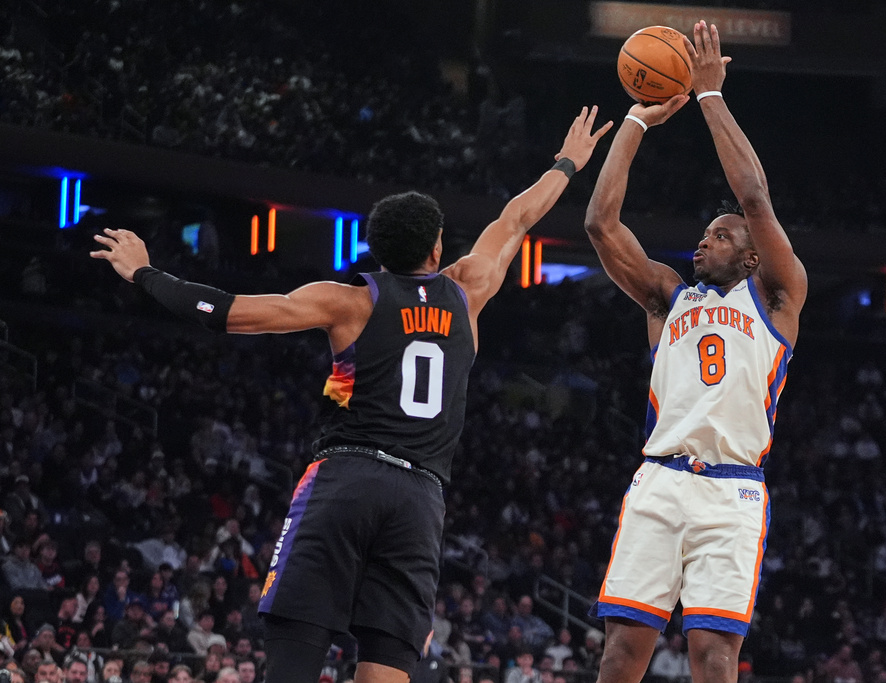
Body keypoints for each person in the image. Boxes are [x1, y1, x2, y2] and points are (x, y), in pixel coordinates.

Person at [92, 107, 611, 683]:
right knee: (387, 663)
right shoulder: (468, 290)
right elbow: (518, 217)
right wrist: (568, 162)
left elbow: (227, 313)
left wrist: (145, 274)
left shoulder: (349, 300)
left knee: (295, 647)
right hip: (421, 498)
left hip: (346, 480)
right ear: (437, 250)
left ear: (377, 251)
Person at [583, 21, 807, 683]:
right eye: (704, 234)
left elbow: (754, 196)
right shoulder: (666, 299)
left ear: (750, 253)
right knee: (622, 651)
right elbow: (600, 223)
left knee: (713, 654)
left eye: (718, 234)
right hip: (660, 477)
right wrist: (635, 121)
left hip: (732, 490)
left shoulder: (776, 296)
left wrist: (710, 97)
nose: (702, 241)